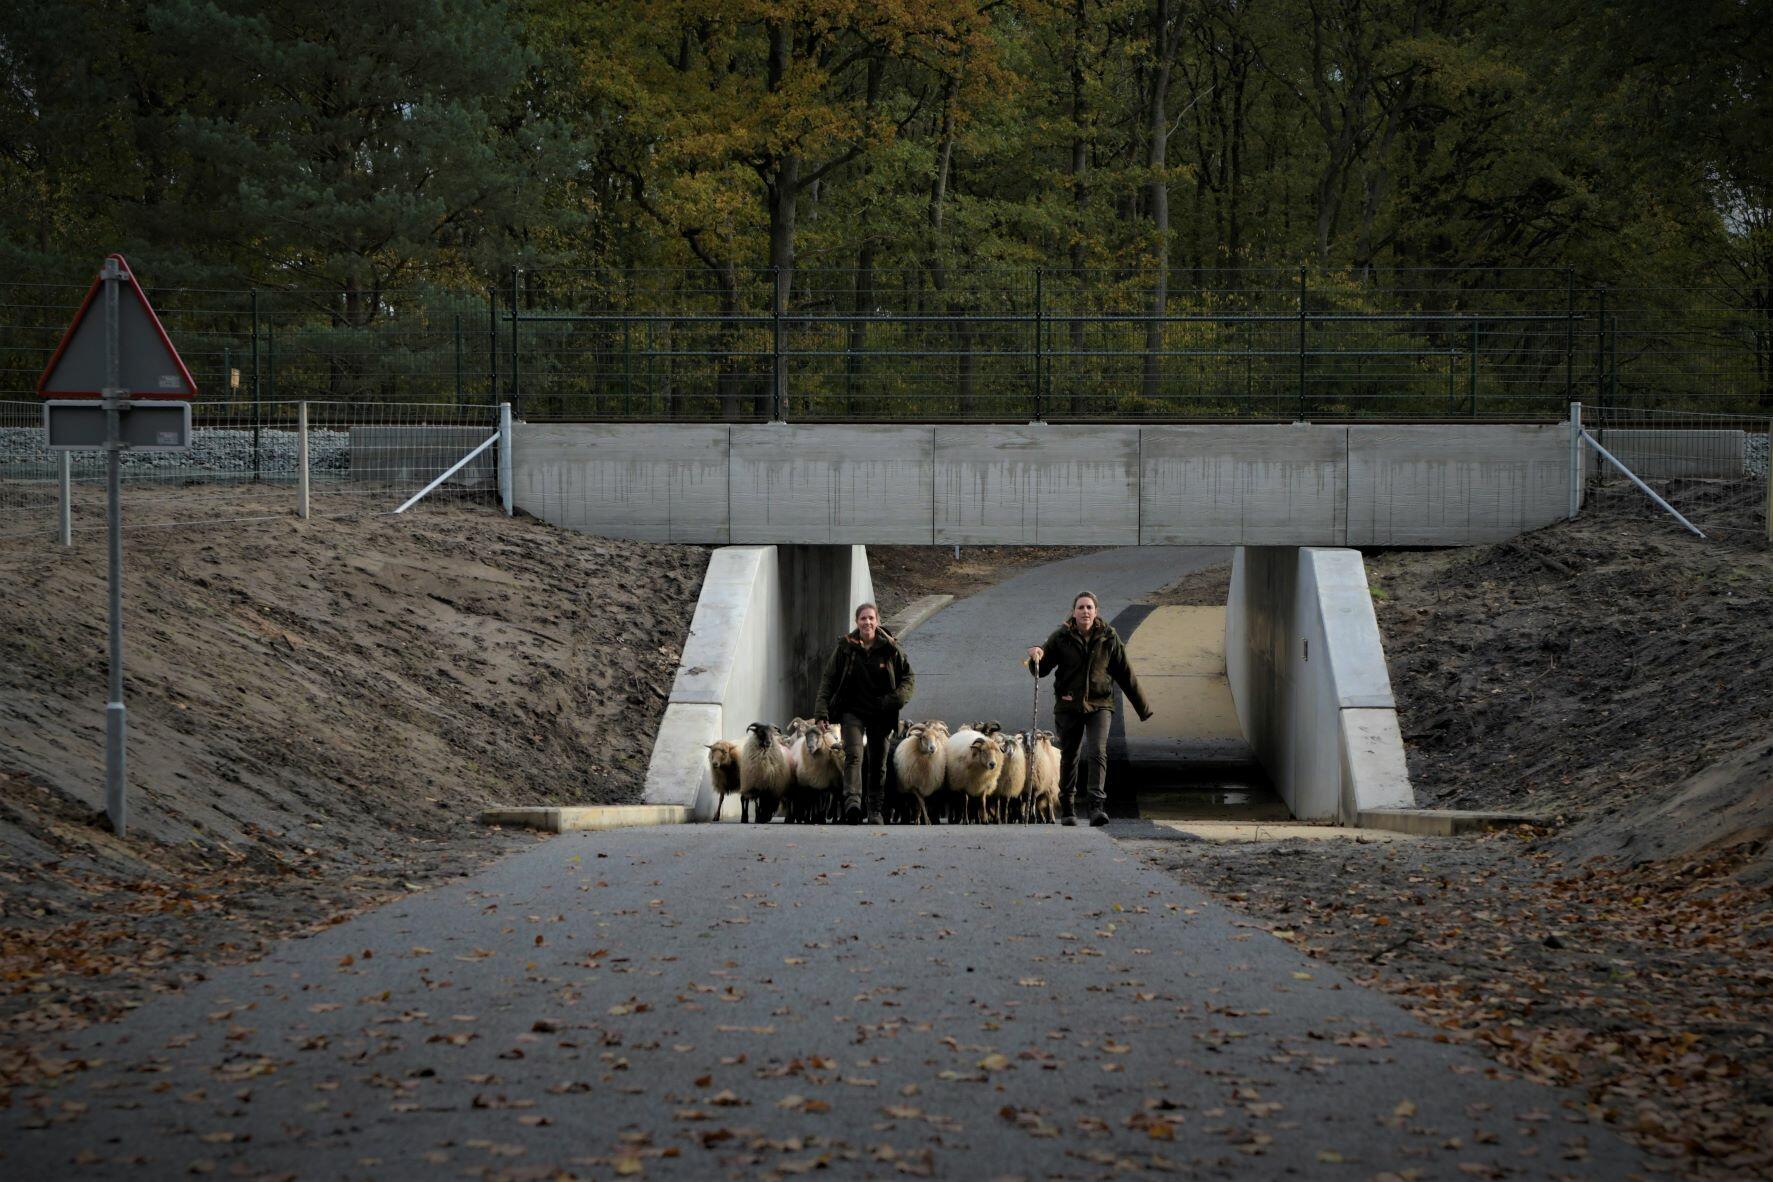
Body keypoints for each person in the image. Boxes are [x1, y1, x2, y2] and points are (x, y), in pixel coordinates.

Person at [1026, 591, 1152, 827]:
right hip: (1068, 704)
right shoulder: (1061, 637)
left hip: (1100, 704)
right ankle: (1068, 807)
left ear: (1096, 612)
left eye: (1089, 607)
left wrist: (1142, 708)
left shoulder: (1108, 637)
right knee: (1070, 756)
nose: (1085, 611)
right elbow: (1041, 669)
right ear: (1074, 612)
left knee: (1097, 752)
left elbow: (1125, 673)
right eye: (1081, 607)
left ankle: (1096, 807)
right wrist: (1036, 656)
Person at [815, 602, 914, 825]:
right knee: (854, 755)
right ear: (857, 622)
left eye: (871, 618)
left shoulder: (890, 648)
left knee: (878, 760)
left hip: (882, 712)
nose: (867, 622)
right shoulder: (846, 648)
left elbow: (908, 677)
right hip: (853, 712)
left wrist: (895, 699)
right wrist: (821, 712)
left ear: (877, 621)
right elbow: (828, 679)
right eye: (863, 619)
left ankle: (875, 809)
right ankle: (852, 804)